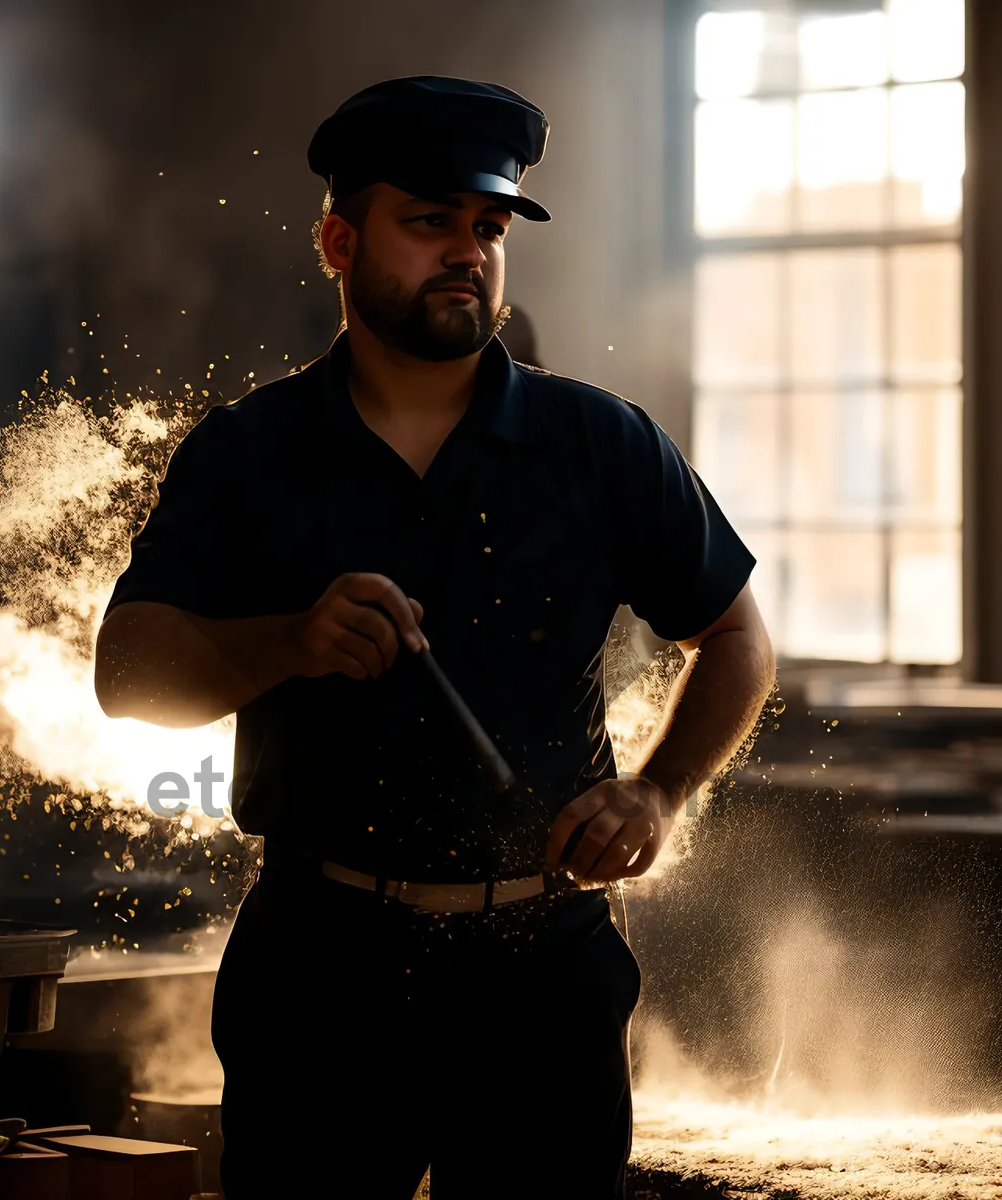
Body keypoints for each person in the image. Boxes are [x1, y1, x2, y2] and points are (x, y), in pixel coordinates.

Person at [95, 76, 775, 1199]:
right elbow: (128, 678)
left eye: (490, 228)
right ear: (337, 241)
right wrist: (289, 641)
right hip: (319, 969)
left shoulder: (600, 443)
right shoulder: (245, 453)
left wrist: (658, 792)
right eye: (431, 224)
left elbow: (738, 636)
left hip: (544, 970)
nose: (470, 253)